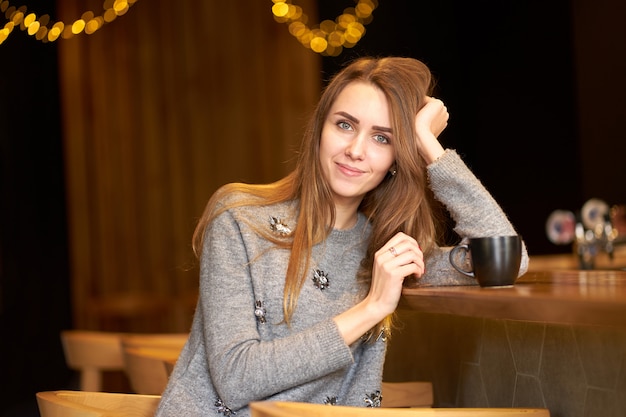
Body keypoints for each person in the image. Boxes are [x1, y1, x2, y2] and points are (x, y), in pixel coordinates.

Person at [155, 56, 528, 416]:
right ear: (320, 129)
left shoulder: (385, 253)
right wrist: (372, 308)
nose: (355, 150)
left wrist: (428, 145)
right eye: (345, 125)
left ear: (399, 157)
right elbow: (236, 379)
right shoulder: (240, 219)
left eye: (383, 138)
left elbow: (507, 259)